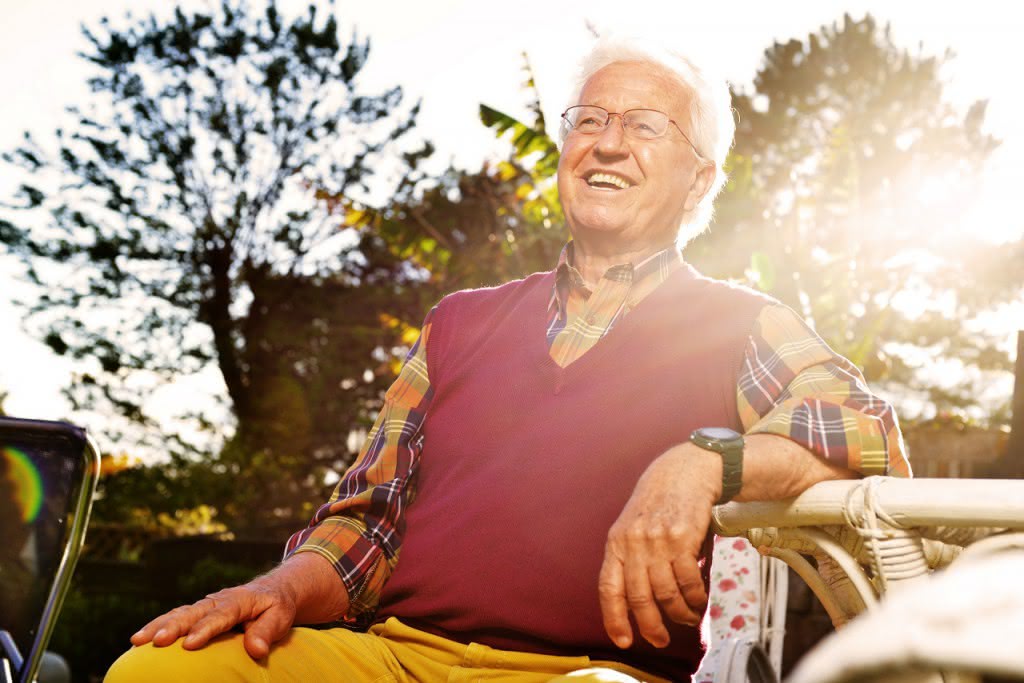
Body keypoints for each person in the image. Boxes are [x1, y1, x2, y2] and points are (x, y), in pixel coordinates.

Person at [106, 36, 910, 683]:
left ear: (699, 181)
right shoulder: (457, 324)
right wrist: (273, 588)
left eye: (643, 125)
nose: (607, 142)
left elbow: (869, 439)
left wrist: (699, 464)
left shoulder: (743, 324)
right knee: (158, 671)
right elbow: (365, 526)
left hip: (591, 672)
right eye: (589, 120)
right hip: (392, 656)